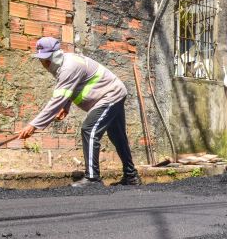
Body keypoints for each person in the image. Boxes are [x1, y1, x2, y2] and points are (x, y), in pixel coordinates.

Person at [17, 36, 140, 188]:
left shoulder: (69, 66)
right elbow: (72, 87)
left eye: (46, 59)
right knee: (117, 136)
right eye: (41, 59)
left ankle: (93, 179)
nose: (44, 63)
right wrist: (65, 106)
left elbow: (58, 98)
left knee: (89, 130)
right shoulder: (64, 65)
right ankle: (131, 176)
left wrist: (34, 125)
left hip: (110, 95)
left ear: (55, 55)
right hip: (114, 92)